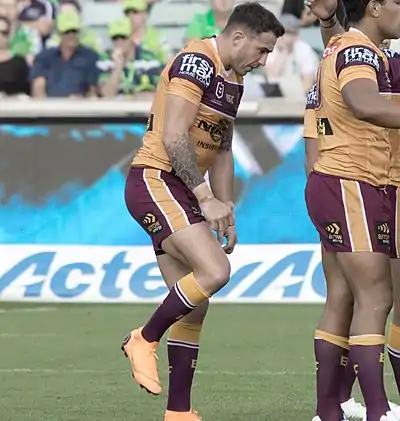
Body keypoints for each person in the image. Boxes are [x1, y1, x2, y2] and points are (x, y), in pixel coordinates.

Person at [121, 2, 285, 420]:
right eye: (262, 50)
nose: (263, 61)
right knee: (215, 272)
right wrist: (204, 195)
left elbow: (223, 147)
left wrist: (226, 207)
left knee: (195, 304)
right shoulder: (196, 62)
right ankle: (144, 338)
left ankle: (178, 412)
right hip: (157, 180)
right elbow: (174, 137)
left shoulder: (234, 79)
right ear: (238, 37)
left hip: (182, 190)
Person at [303, 0, 400, 419]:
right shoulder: (358, 50)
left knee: (343, 296)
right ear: (374, 7)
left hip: (338, 181)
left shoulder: (346, 48)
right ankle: (379, 410)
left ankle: (329, 410)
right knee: (376, 295)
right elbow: (364, 102)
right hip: (352, 182)